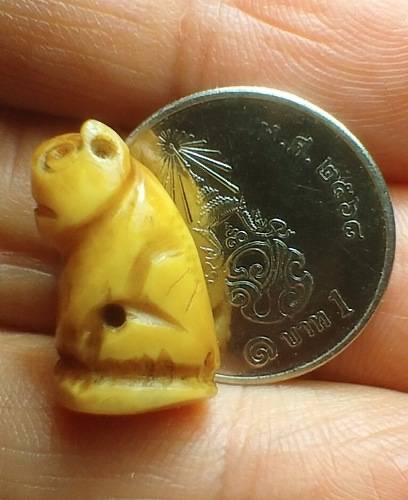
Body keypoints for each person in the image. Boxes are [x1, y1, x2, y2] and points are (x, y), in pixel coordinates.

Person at [0, 1, 407, 498]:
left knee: (108, 328)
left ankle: (134, 373)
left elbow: (96, 292)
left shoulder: (129, 220)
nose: (43, 214)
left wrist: (86, 336)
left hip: (166, 351)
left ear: (107, 152)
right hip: (140, 344)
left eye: (53, 201)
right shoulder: (121, 212)